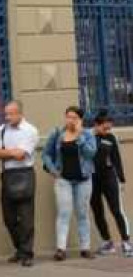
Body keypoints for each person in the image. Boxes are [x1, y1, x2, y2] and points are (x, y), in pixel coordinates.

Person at [42, 106, 98, 261]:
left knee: (82, 213)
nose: (70, 120)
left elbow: (91, 153)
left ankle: (85, 248)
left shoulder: (87, 134)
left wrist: (79, 136)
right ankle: (61, 249)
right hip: (64, 180)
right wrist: (53, 170)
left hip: (83, 180)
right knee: (64, 213)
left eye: (74, 117)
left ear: (80, 120)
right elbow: (46, 154)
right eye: (68, 117)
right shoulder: (57, 133)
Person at [0, 100, 39, 267]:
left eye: (11, 114)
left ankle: (27, 253)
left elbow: (21, 156)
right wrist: (12, 152)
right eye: (6, 114)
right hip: (7, 174)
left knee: (26, 217)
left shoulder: (30, 131)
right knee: (9, 218)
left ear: (20, 113)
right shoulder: (1, 130)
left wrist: (5, 152)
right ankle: (19, 248)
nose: (7, 117)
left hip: (24, 174)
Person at [90, 111, 132, 257]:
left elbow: (116, 159)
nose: (107, 131)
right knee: (97, 211)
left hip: (109, 177)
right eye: (105, 128)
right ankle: (107, 242)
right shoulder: (88, 137)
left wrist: (121, 180)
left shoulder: (111, 137)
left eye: (109, 128)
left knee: (117, 210)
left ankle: (126, 242)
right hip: (92, 179)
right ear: (96, 125)